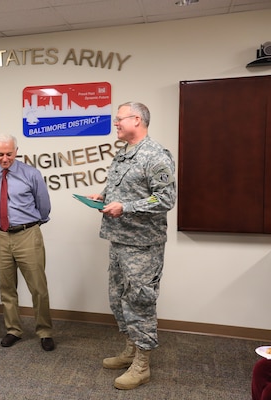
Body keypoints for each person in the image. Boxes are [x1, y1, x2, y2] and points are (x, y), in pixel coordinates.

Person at [89, 102, 176, 390]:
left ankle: (142, 365)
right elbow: (124, 187)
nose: (115, 123)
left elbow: (165, 199)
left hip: (143, 245)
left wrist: (126, 207)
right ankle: (130, 349)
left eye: (119, 119)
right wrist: (103, 196)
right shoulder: (123, 154)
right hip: (119, 239)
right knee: (118, 299)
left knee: (140, 300)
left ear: (136, 120)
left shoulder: (155, 155)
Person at [0, 134, 55, 352]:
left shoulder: (31, 174)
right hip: (1, 237)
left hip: (27, 234)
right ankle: (13, 329)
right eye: (1, 154)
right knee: (7, 287)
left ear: (16, 151)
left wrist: (29, 227)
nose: (5, 158)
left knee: (38, 287)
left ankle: (45, 331)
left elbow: (44, 207)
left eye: (9, 154)